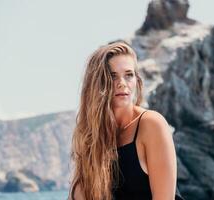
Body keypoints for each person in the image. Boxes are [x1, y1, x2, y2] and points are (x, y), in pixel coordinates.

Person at [68, 41, 184, 200]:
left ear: (137, 80)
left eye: (129, 75)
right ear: (97, 83)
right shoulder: (92, 138)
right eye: (112, 76)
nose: (122, 84)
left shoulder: (151, 124)